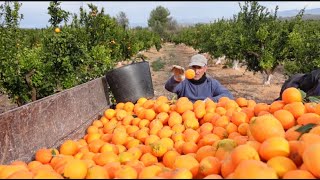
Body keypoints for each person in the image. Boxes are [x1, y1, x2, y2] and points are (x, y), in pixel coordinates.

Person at [165, 54, 234, 103]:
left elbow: (228, 95)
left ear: (205, 68)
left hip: (206, 118)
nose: (196, 71)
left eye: (199, 67)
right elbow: (169, 87)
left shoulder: (211, 83)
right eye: (194, 67)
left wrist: (212, 100)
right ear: (190, 68)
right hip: (186, 115)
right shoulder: (184, 81)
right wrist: (177, 78)